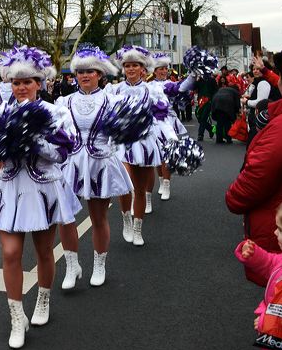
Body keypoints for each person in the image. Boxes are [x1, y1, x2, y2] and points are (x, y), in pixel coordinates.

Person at [0, 45, 78, 349]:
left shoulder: (55, 111)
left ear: (39, 83)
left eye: (27, 82)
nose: (21, 87)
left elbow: (62, 152)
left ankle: (44, 299)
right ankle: (16, 316)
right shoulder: (1, 112)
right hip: (10, 186)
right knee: (9, 253)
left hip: (43, 186)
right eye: (16, 82)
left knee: (45, 251)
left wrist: (31, 141)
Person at [56, 46, 133, 289]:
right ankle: (72, 265)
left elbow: (124, 133)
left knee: (98, 217)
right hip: (71, 164)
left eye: (90, 70)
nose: (85, 75)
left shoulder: (113, 100)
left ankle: (99, 264)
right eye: (80, 71)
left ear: (100, 74)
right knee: (65, 217)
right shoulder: (63, 101)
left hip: (100, 163)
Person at [226, 46, 282, 287]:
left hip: (279, 224)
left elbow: (257, 176)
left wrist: (232, 197)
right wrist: (269, 72)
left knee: (279, 306)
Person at [106, 45, 176, 246]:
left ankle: (138, 228)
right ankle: (126, 218)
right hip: (122, 143)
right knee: (125, 185)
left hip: (144, 143)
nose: (130, 69)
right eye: (127, 65)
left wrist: (170, 138)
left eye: (134, 65)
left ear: (143, 68)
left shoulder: (151, 89)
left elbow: (162, 116)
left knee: (140, 187)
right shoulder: (115, 89)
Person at [235, 198, 282, 350]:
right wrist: (254, 254)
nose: (275, 233)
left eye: (280, 230)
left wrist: (265, 321)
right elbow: (272, 264)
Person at [149, 53, 190, 202]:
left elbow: (182, 87)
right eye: (160, 68)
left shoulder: (169, 84)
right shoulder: (148, 85)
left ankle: (167, 184)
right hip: (153, 123)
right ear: (154, 70)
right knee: (157, 155)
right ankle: (161, 180)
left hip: (167, 122)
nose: (163, 71)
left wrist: (192, 75)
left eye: (165, 68)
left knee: (167, 154)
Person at [211, 78, 240, 144]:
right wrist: (237, 113)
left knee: (219, 123)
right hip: (226, 105)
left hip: (216, 103)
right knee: (227, 123)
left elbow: (215, 96)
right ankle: (228, 139)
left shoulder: (222, 89)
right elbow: (237, 104)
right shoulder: (235, 92)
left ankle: (219, 139)